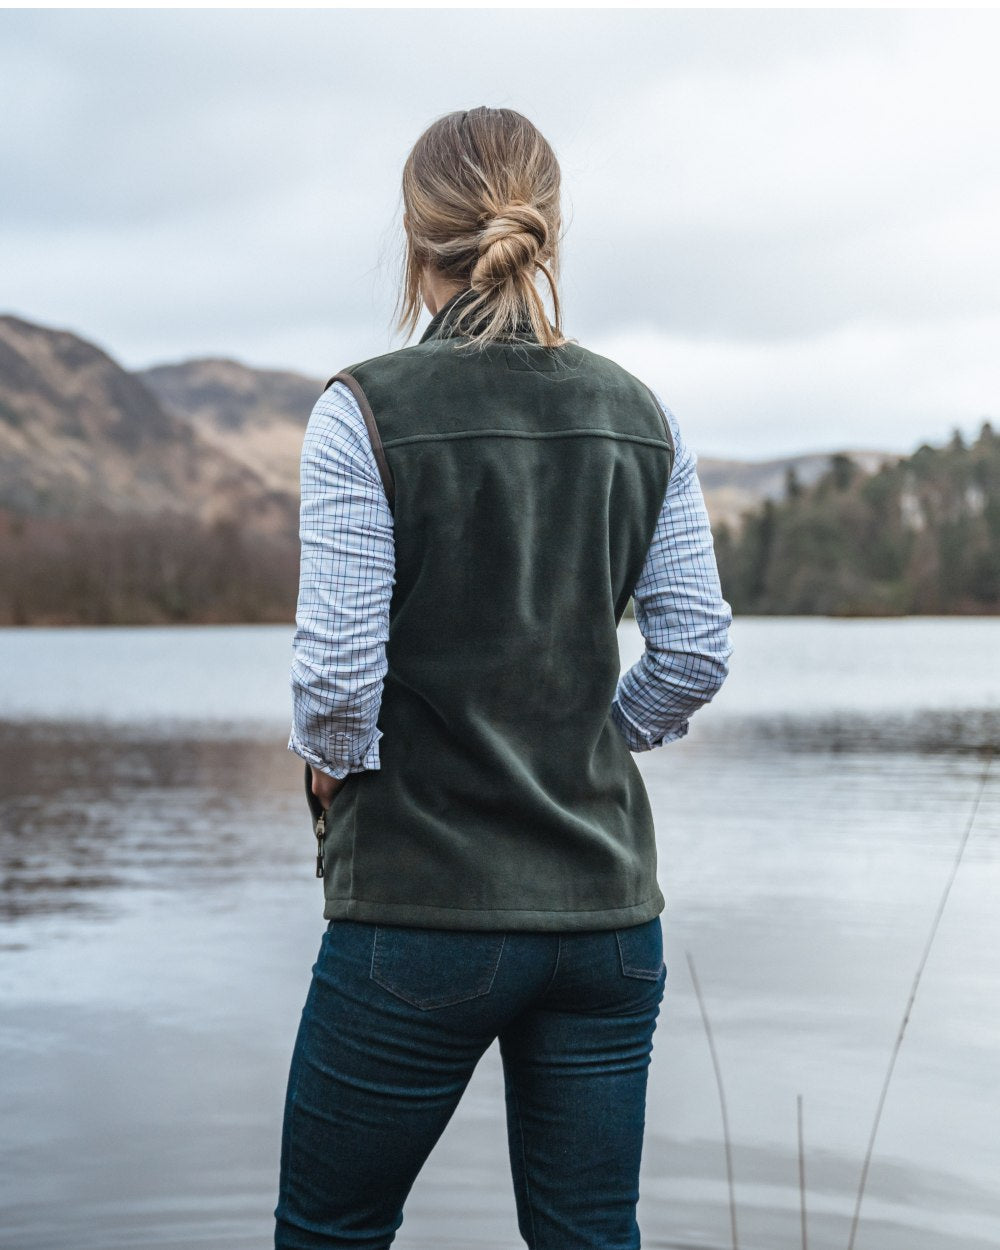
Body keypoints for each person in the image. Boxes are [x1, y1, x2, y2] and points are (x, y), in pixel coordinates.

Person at [276, 106, 733, 1250]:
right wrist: (582, 737)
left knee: (328, 1233)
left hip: (418, 909)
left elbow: (335, 683)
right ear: (548, 229)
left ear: (412, 234)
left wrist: (336, 775)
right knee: (590, 1235)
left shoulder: (362, 412)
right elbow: (694, 653)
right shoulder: (643, 413)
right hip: (606, 919)